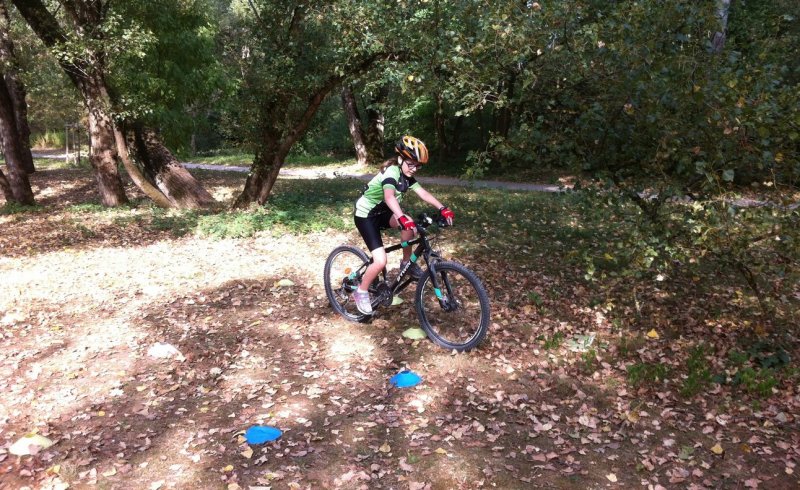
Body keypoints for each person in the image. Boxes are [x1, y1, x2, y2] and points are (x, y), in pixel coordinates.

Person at [352, 135, 455, 315]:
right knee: (380, 260)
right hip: (366, 215)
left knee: (410, 227)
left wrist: (443, 208)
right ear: (401, 159)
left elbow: (422, 193)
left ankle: (406, 263)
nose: (414, 169)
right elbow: (389, 196)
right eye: (411, 164)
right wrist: (400, 216)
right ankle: (361, 292)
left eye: (418, 165)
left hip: (382, 213)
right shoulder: (392, 172)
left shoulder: (407, 176)